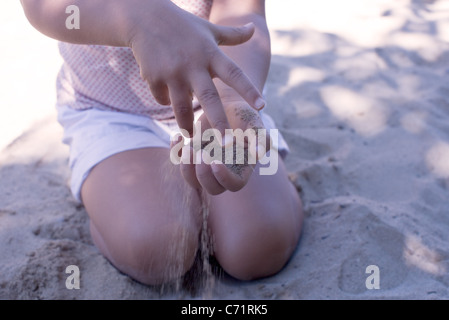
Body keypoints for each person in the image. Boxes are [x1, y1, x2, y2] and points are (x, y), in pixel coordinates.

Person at [20, 0, 303, 285]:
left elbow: (243, 12)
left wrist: (233, 100)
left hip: (213, 99)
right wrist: (138, 16)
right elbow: (44, 6)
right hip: (113, 114)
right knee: (157, 249)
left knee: (259, 246)